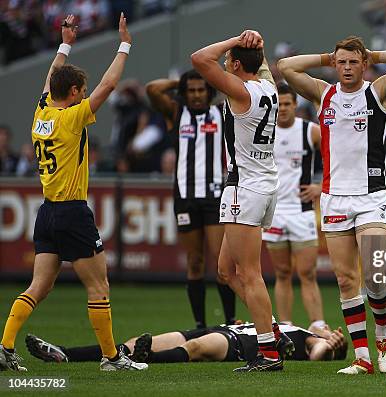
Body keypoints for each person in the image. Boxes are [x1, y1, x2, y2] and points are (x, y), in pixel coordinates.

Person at [0, 14, 146, 372]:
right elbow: (110, 86)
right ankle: (112, 358)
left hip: (47, 212)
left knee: (39, 287)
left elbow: (51, 79)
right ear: (76, 92)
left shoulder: (41, 114)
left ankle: (4, 346)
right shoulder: (71, 118)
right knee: (99, 286)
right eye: (82, 88)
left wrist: (65, 44)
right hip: (71, 212)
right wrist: (125, 43)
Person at [278, 36, 386, 374]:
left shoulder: (378, 92)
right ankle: (362, 358)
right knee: (345, 281)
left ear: (364, 64)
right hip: (334, 197)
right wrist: (327, 57)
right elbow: (285, 66)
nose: (346, 68)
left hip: (371, 196)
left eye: (353, 62)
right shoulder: (323, 94)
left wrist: (375, 54)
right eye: (341, 62)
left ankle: (383, 336)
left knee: (374, 274)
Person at [191, 30, 284, 372]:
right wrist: (258, 44)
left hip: (245, 186)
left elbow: (200, 59)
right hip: (261, 182)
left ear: (234, 62)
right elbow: (259, 65)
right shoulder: (268, 88)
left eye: (229, 61)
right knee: (226, 271)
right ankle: (271, 332)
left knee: (248, 273)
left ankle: (269, 354)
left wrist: (232, 40)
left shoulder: (242, 90)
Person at [146, 70, 236, 328]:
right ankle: (200, 325)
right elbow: (153, 88)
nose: (197, 95)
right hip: (185, 197)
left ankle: (230, 321)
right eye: (192, 90)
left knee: (221, 262)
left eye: (201, 89)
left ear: (209, 91)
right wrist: (180, 81)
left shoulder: (221, 112)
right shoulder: (176, 113)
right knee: (194, 262)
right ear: (185, 93)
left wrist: (211, 77)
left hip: (215, 196)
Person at [261, 82, 325, 328]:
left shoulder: (310, 131)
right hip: (274, 213)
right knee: (282, 273)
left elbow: (334, 158)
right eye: (280, 104)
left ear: (296, 105)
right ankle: (285, 326)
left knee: (308, 273)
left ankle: (317, 324)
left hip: (302, 212)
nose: (283, 108)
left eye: (288, 103)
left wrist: (321, 187)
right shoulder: (264, 132)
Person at [25, 322, 348, 364]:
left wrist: (331, 345)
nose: (324, 325)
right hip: (223, 327)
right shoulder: (293, 323)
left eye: (327, 330)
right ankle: (65, 355)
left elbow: (317, 356)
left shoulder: (305, 340)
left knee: (196, 350)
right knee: (136, 339)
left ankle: (143, 360)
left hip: (235, 343)